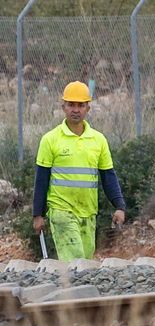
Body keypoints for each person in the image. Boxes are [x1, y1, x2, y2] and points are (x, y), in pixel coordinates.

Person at [32, 81, 126, 261]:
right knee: (76, 261)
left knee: (87, 261)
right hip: (61, 211)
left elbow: (108, 177)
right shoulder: (50, 140)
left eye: (80, 105)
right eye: (71, 105)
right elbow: (41, 179)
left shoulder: (98, 140)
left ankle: (71, 288)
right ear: (63, 107)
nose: (76, 110)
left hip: (88, 213)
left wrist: (120, 206)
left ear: (87, 108)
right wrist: (38, 214)